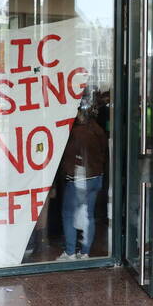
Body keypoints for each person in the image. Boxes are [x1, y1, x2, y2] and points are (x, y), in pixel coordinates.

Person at [57, 104, 108, 260]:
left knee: (68, 214)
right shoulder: (98, 129)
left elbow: (69, 159)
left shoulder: (76, 132)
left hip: (79, 179)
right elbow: (103, 153)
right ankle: (85, 252)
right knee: (88, 214)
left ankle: (70, 252)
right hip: (96, 177)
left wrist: (65, 174)